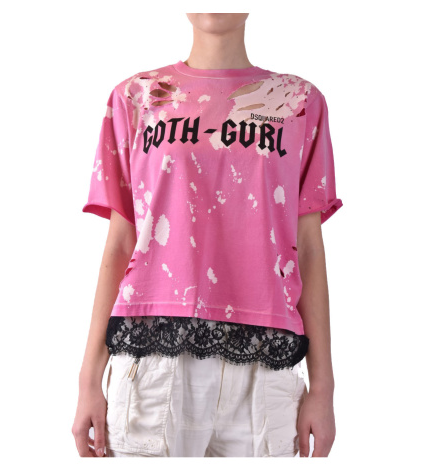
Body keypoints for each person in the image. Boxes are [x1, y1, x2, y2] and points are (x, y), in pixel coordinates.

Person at [72, 13, 341, 458]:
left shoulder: (299, 102)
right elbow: (121, 243)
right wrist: (88, 381)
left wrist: (323, 387)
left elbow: (309, 249)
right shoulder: (136, 97)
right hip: (153, 358)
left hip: (266, 365)